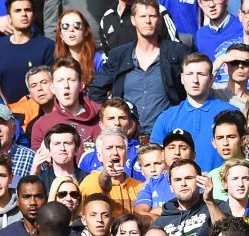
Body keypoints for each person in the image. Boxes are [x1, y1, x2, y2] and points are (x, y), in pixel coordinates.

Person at [88, 0, 190, 135]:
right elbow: (95, 91)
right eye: (142, 16)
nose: (148, 21)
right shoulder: (120, 56)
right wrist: (113, 114)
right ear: (133, 20)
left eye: (152, 16)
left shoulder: (177, 53)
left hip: (166, 135)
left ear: (159, 19)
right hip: (128, 138)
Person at [149, 52, 236, 172]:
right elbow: (156, 160)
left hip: (223, 186)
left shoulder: (231, 113)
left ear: (211, 79)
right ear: (182, 78)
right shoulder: (166, 117)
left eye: (201, 74)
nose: (195, 80)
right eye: (190, 74)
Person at [29, 57, 100, 157]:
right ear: (52, 88)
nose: (66, 85)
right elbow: (40, 168)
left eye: (71, 80)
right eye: (60, 80)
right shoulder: (41, 126)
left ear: (81, 86)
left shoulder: (101, 117)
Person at [0, 0, 53, 104]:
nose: (23, 14)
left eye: (27, 10)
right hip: (6, 113)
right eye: (18, 11)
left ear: (34, 15)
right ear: (9, 18)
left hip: (39, 111)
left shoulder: (47, 46)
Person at [79, 129, 143, 218]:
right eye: (109, 148)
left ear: (127, 154)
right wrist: (106, 174)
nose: (115, 153)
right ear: (99, 156)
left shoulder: (140, 187)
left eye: (120, 147)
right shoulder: (90, 183)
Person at [54, 9, 104, 87]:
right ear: (61, 35)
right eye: (65, 26)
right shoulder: (57, 63)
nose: (71, 30)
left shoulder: (99, 60)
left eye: (77, 25)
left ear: (86, 31)